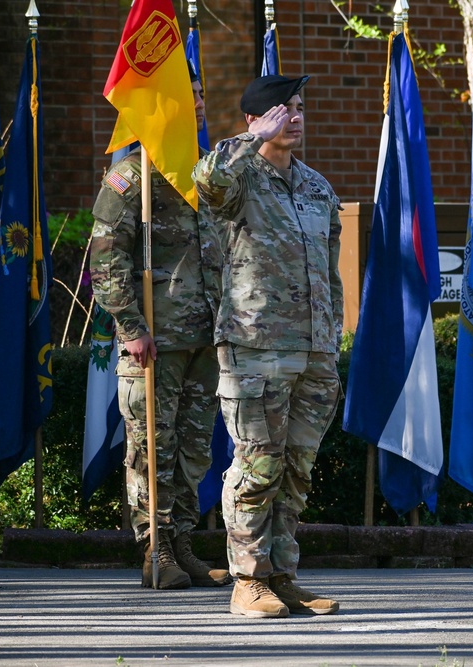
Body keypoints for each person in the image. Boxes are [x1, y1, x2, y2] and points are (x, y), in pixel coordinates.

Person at [193, 74, 343, 618]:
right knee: (256, 466)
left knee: (295, 469)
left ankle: (282, 575)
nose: (295, 117)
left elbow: (330, 271)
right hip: (254, 349)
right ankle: (247, 581)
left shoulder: (317, 187)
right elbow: (205, 181)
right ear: (257, 119)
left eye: (300, 108)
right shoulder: (240, 178)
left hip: (313, 351)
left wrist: (332, 335)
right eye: (284, 110)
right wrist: (252, 140)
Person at [90, 64, 230, 590]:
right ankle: (155, 551)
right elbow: (105, 257)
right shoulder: (133, 176)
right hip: (155, 341)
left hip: (203, 338)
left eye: (199, 93)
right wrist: (130, 324)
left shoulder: (199, 171)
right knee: (152, 448)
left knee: (193, 451)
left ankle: (182, 545)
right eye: (185, 94)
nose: (197, 103)